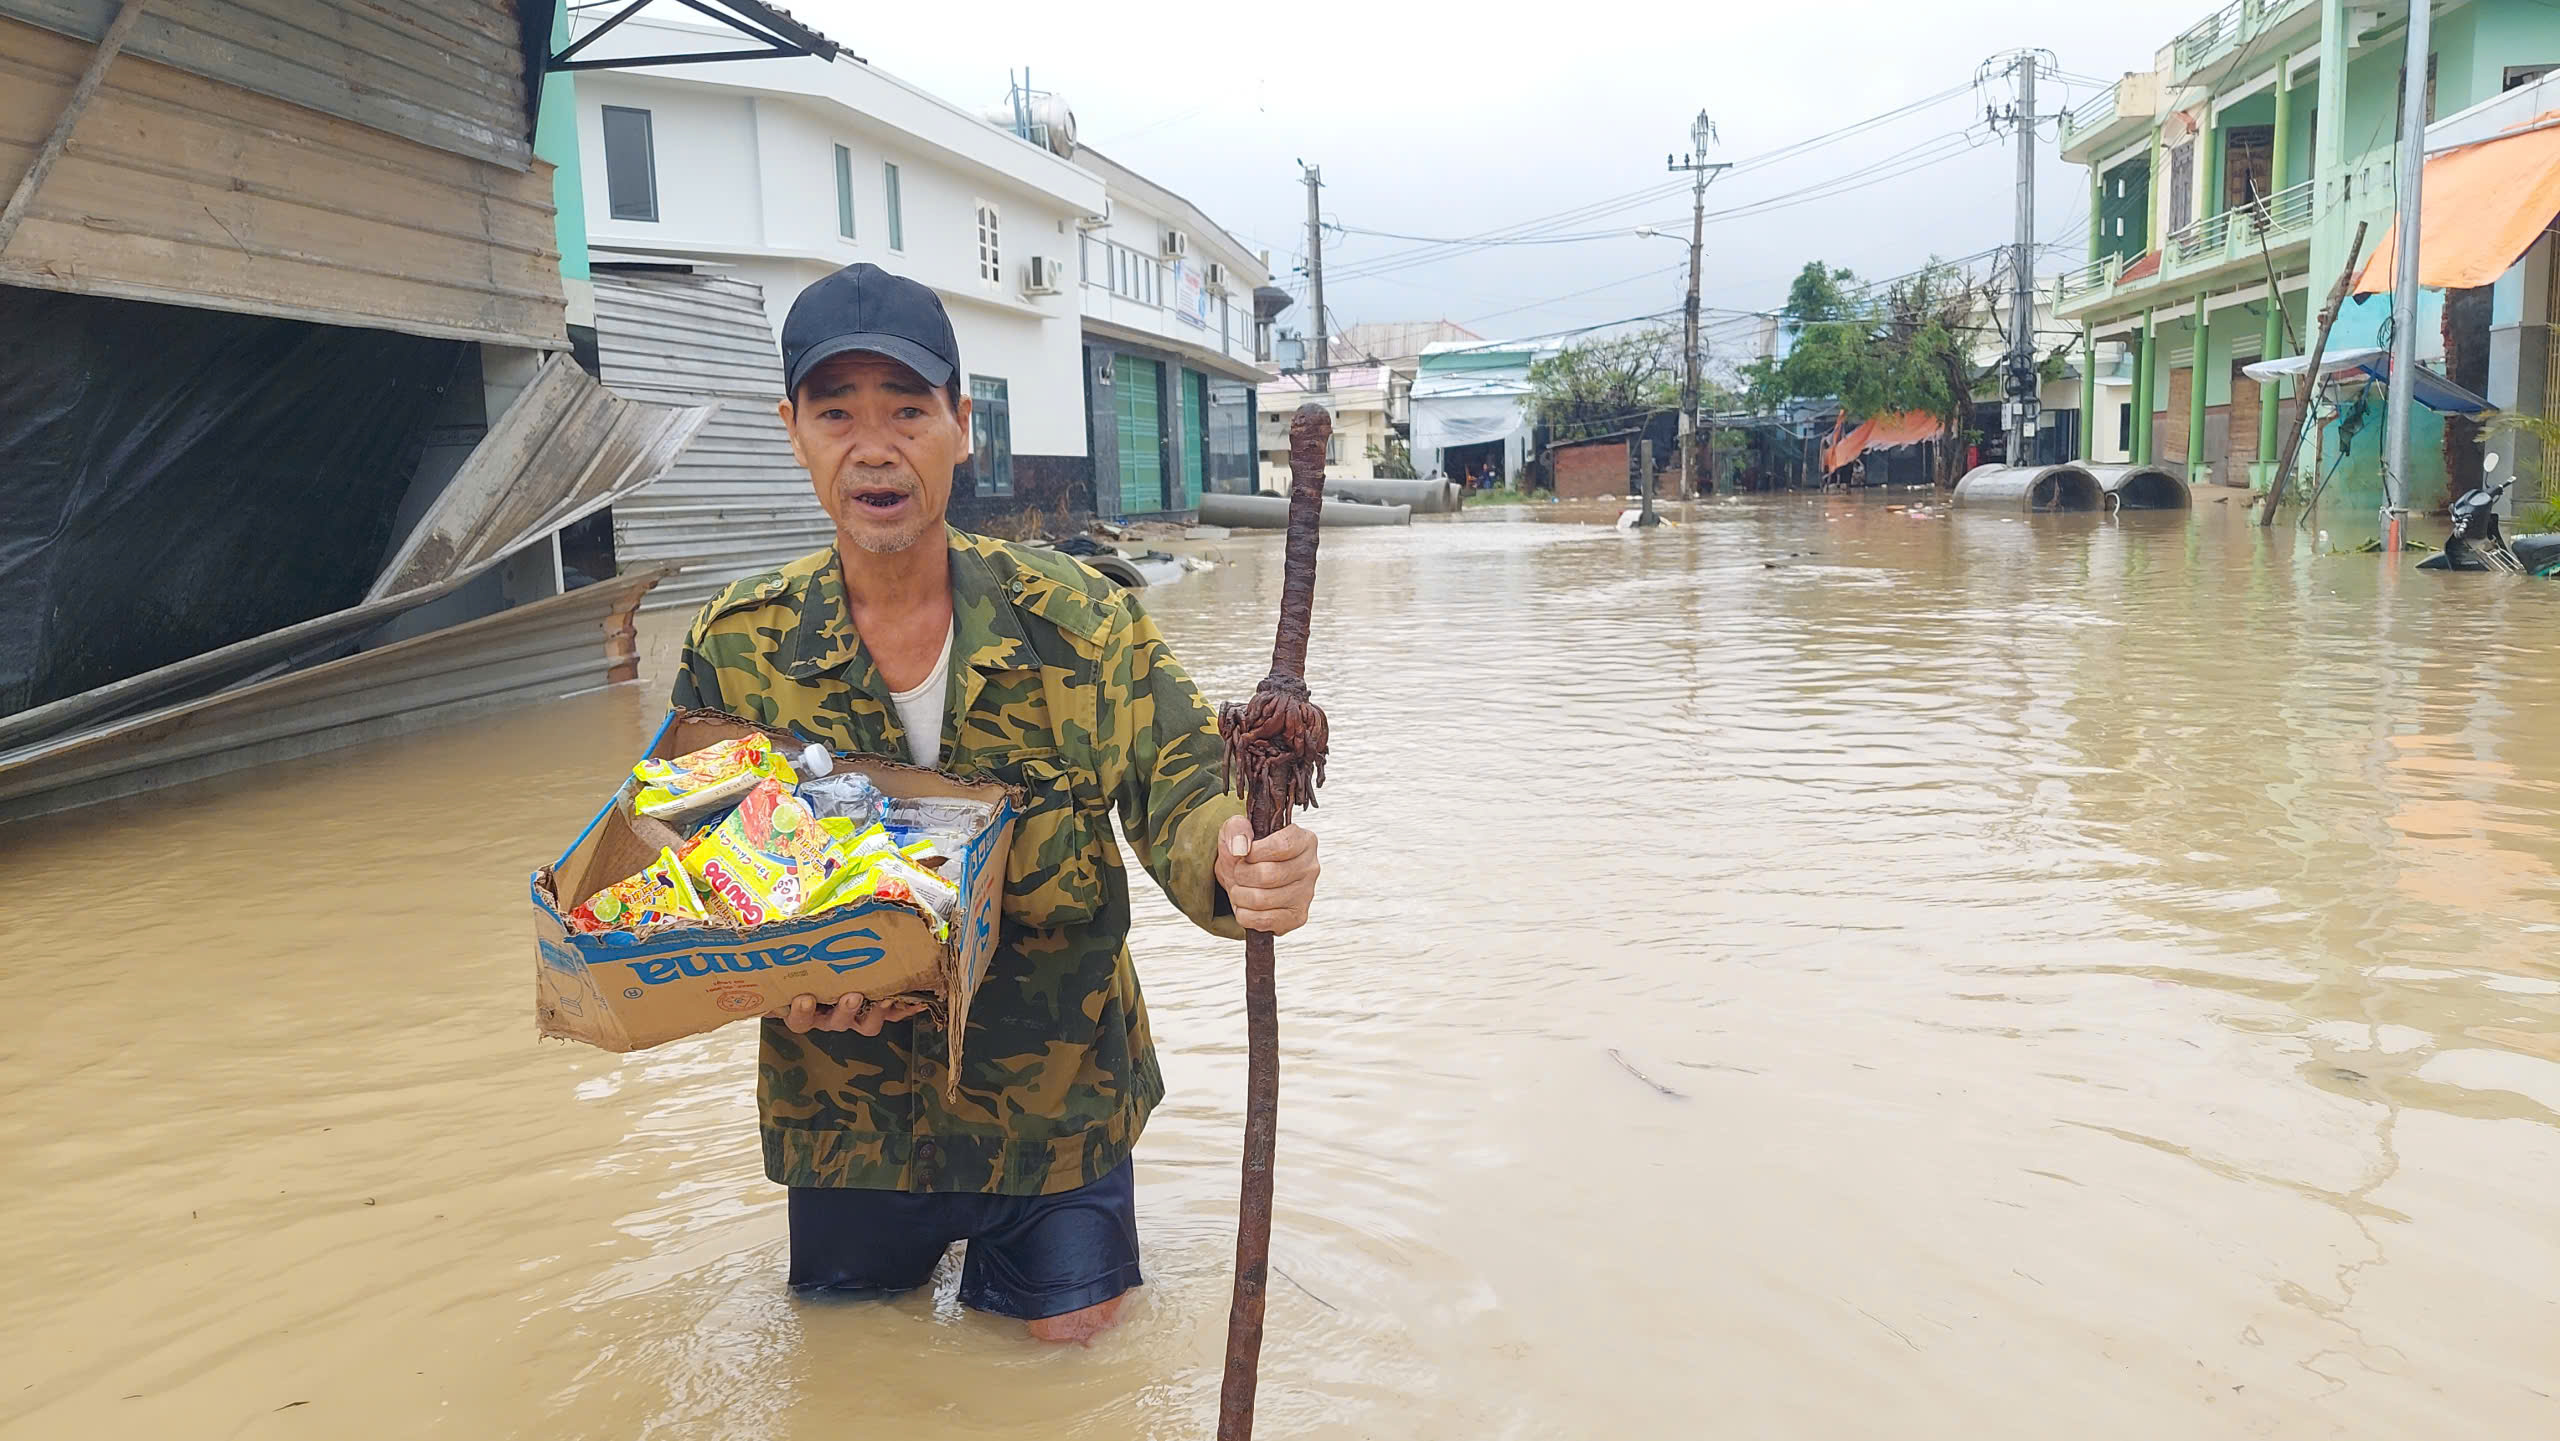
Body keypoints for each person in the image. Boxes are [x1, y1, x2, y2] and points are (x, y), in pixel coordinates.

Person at [668, 263, 1323, 1343]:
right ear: (793, 431)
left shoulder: (1081, 622)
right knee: (858, 1376)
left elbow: (1184, 790)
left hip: (1057, 1111)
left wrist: (1243, 860)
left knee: (1072, 1373)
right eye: (837, 413)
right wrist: (771, 982)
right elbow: (696, 868)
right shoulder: (735, 647)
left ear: (961, 427)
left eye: (908, 411)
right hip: (848, 1121)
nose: (874, 447)